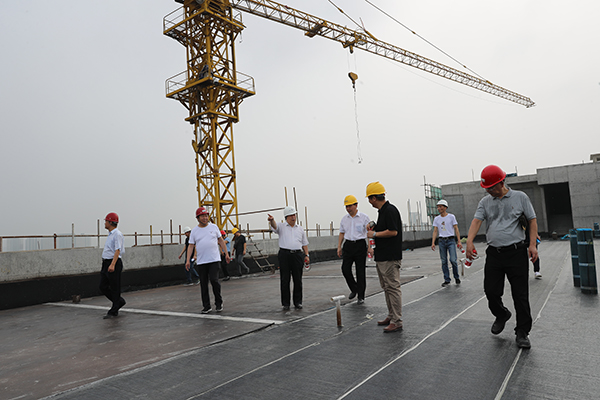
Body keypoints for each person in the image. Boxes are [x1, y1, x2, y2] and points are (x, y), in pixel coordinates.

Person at [466, 165, 538, 349]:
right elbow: (476, 221)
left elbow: (532, 220)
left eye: (491, 187)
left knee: (520, 294)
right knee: (491, 291)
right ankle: (501, 314)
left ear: (501, 182)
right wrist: (469, 241)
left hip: (516, 252)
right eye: (486, 188)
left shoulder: (520, 197)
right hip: (494, 254)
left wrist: (532, 245)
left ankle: (522, 332)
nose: (488, 191)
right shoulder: (485, 202)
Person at [365, 182, 404, 333]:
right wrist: (375, 227)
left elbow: (393, 231)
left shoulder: (390, 210)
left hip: (390, 257)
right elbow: (386, 228)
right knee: (387, 287)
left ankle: (397, 320)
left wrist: (374, 234)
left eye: (370, 198)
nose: (369, 202)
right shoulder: (383, 211)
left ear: (374, 198)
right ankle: (391, 315)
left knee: (392, 287)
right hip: (382, 256)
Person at [186, 207, 230, 313]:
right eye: (202, 216)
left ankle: (218, 303)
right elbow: (191, 246)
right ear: (198, 218)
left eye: (206, 216)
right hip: (202, 261)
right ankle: (206, 306)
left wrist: (226, 254)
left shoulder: (214, 227)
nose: (205, 218)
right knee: (204, 284)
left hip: (214, 259)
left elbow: (221, 240)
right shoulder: (194, 231)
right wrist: (188, 260)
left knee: (214, 280)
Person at [268, 206, 309, 311]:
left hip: (297, 255)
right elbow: (274, 226)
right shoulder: (281, 226)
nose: (293, 217)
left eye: (294, 215)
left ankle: (298, 302)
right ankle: (286, 303)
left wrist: (307, 255)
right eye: (291, 215)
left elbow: (304, 243)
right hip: (284, 254)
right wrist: (272, 220)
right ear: (286, 217)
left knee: (298, 279)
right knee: (285, 279)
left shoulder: (300, 229)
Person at [337, 194, 370, 304]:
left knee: (360, 271)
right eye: (346, 206)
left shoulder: (364, 218)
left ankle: (361, 296)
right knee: (345, 269)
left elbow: (369, 233)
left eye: (350, 206)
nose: (348, 208)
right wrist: (339, 246)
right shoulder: (344, 219)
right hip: (348, 245)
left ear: (356, 205)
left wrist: (370, 247)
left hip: (360, 245)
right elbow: (342, 233)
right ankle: (354, 288)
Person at [100, 212, 126, 319]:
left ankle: (114, 310)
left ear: (111, 222)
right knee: (102, 286)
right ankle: (119, 301)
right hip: (106, 262)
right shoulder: (110, 234)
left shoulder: (117, 234)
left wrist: (112, 264)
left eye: (106, 221)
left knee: (115, 287)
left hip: (113, 262)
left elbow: (117, 250)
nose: (105, 223)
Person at [431, 199, 464, 286]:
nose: (439, 208)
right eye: (438, 207)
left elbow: (456, 229)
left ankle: (456, 277)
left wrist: (459, 241)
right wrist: (433, 242)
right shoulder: (436, 219)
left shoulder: (451, 217)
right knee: (444, 261)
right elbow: (435, 231)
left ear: (445, 207)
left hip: (451, 240)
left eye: (440, 207)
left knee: (453, 260)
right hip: (441, 241)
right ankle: (447, 279)